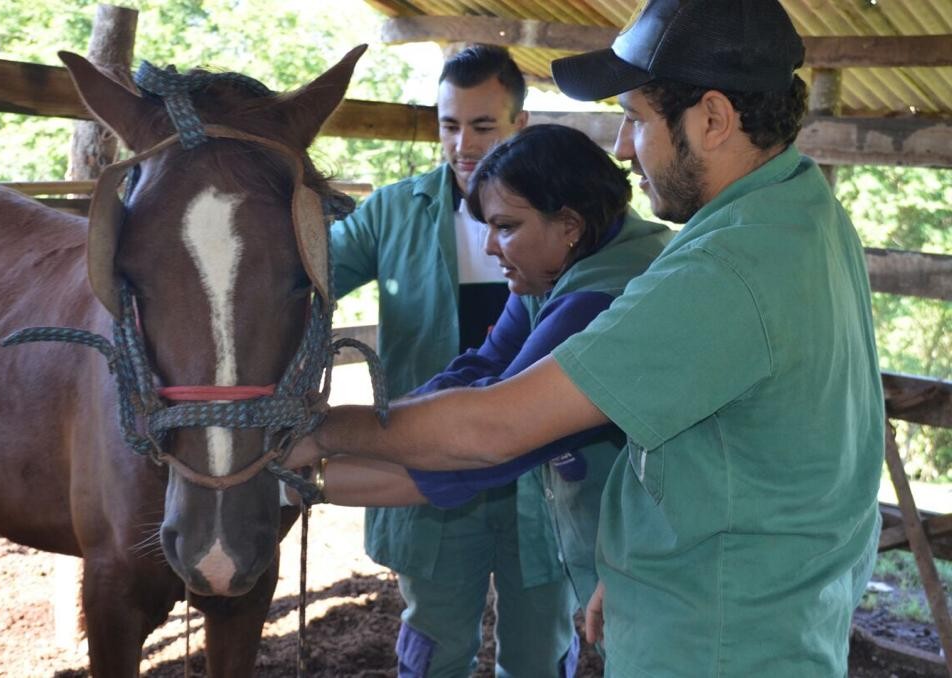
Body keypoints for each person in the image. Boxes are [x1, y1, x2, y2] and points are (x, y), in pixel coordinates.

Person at [292, 1, 885, 676]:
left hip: (713, 649)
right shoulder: (802, 212)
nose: (624, 146)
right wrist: (633, 571)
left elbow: (494, 430)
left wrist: (324, 432)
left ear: (713, 119)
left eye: (635, 118)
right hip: (750, 618)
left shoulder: (722, 269)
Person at [292, 123, 671, 619]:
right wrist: (386, 425)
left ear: (570, 225)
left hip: (673, 567)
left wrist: (313, 455)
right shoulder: (568, 267)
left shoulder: (600, 300)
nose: (490, 247)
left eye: (507, 227)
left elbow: (490, 441)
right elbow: (481, 367)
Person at [329, 45, 580, 677]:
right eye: (449, 125)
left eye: (483, 125)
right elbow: (303, 275)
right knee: (434, 652)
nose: (463, 144)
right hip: (430, 480)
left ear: (520, 125)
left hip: (545, 487)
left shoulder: (570, 221)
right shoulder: (390, 212)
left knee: (537, 658)